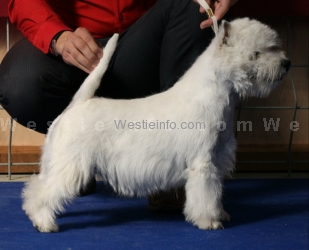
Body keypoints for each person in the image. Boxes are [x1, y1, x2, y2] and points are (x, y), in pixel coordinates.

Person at [0, 0, 237, 202]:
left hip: (146, 44)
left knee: (194, 5)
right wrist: (57, 36)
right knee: (19, 82)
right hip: (71, 43)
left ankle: (176, 167)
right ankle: (79, 151)